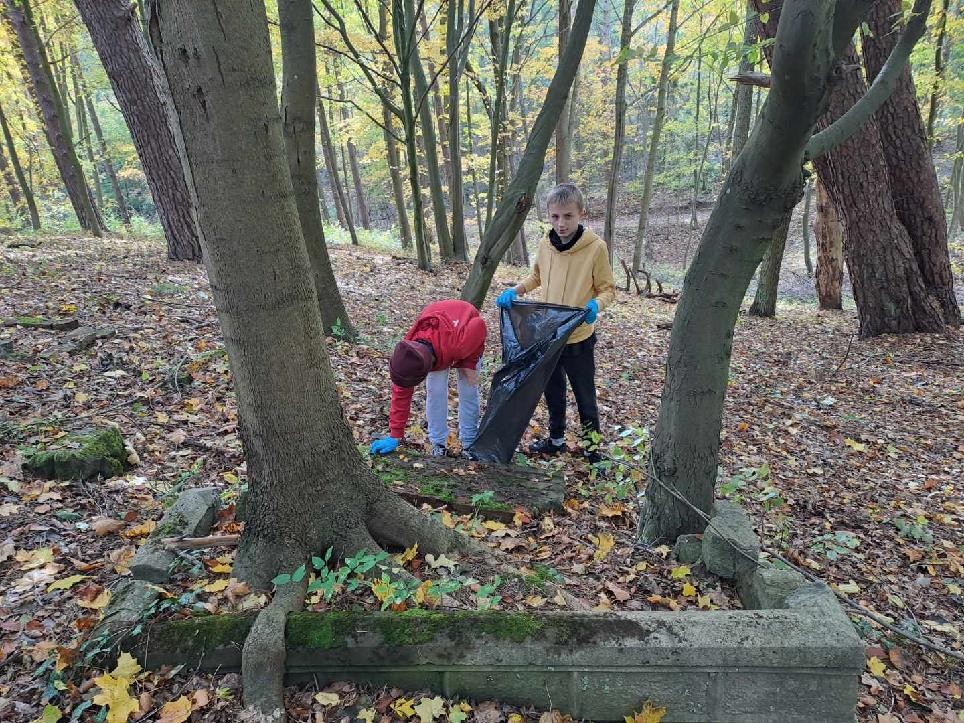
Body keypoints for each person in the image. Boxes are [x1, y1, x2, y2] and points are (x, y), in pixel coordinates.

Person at [496, 182, 616, 462]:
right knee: (553, 390)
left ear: (581, 214)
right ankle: (556, 439)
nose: (561, 223)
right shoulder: (545, 245)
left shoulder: (595, 248)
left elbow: (608, 289)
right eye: (555, 216)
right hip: (548, 335)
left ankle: (592, 449)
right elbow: (537, 276)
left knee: (584, 395)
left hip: (578, 338)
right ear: (548, 216)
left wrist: (595, 305)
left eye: (568, 216)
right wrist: (516, 290)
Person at [370, 300, 487, 457]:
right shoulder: (407, 353)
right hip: (436, 336)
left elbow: (479, 325)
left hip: (464, 329)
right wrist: (395, 435)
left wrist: (469, 363)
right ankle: (438, 443)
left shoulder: (458, 344)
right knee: (435, 391)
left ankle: (469, 442)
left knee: (468, 390)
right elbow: (401, 391)